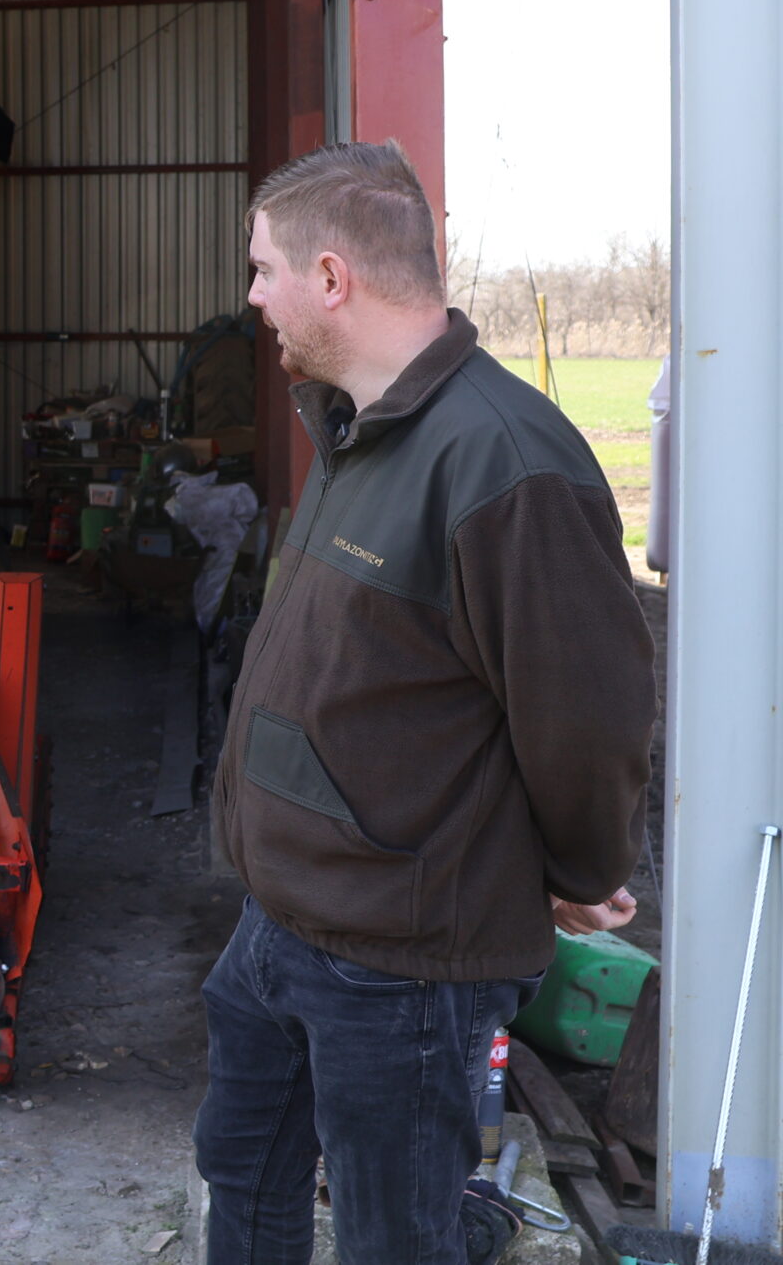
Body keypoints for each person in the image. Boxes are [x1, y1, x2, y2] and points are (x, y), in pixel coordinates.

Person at [197, 141, 656, 1265]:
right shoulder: (356, 428)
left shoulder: (505, 461)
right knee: (241, 1176)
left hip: (397, 960)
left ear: (332, 277)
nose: (252, 295)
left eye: (264, 269)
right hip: (282, 920)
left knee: (393, 1236)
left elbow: (586, 720)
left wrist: (580, 868)